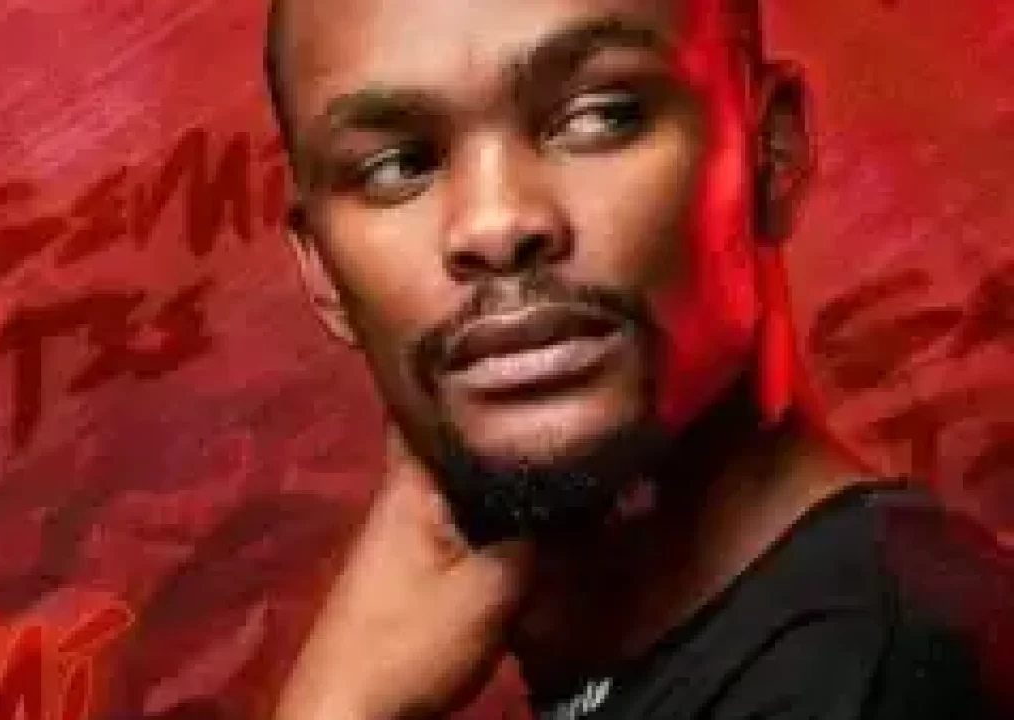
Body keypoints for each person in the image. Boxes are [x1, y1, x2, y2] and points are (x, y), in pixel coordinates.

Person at [260, 0, 1014, 717]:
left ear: (771, 152)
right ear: (321, 269)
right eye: (397, 167)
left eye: (599, 117)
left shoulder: (870, 675)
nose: (496, 224)